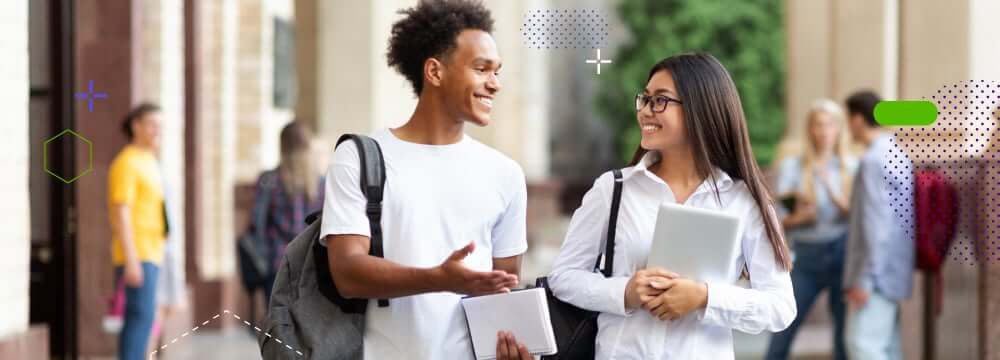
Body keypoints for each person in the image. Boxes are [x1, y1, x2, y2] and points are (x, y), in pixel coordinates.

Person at [547, 53, 796, 359]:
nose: (645, 112)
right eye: (645, 99)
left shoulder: (743, 200)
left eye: (660, 101)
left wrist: (705, 297)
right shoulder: (613, 189)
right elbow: (564, 277)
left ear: (700, 109)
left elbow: (781, 307)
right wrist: (624, 293)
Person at [320, 1, 528, 359]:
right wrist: (439, 278)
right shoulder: (361, 157)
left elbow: (504, 291)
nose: (495, 84)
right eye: (482, 69)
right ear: (434, 71)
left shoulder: (505, 174)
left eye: (497, 72)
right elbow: (347, 272)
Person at [764, 99, 857, 360]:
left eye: (829, 125)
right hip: (805, 255)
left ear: (838, 129)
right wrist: (801, 217)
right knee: (784, 325)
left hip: (841, 253)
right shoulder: (792, 166)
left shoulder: (851, 167)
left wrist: (830, 188)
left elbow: (857, 217)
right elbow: (780, 220)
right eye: (818, 125)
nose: (824, 131)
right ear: (810, 129)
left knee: (842, 334)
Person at [842, 90, 914, 360]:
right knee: (886, 348)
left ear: (858, 120)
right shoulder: (898, 154)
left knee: (862, 345)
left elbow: (876, 226)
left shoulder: (873, 161)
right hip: (893, 271)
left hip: (876, 276)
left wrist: (864, 279)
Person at [108, 103, 167, 360]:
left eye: (160, 126)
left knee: (143, 319)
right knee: (138, 318)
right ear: (136, 126)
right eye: (152, 125)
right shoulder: (127, 162)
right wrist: (132, 260)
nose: (157, 131)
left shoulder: (149, 160)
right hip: (137, 254)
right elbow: (121, 213)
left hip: (152, 253)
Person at [251, 121, 325, 304]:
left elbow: (257, 223)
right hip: (313, 266)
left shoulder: (269, 181)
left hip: (277, 264)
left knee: (279, 324)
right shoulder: (323, 184)